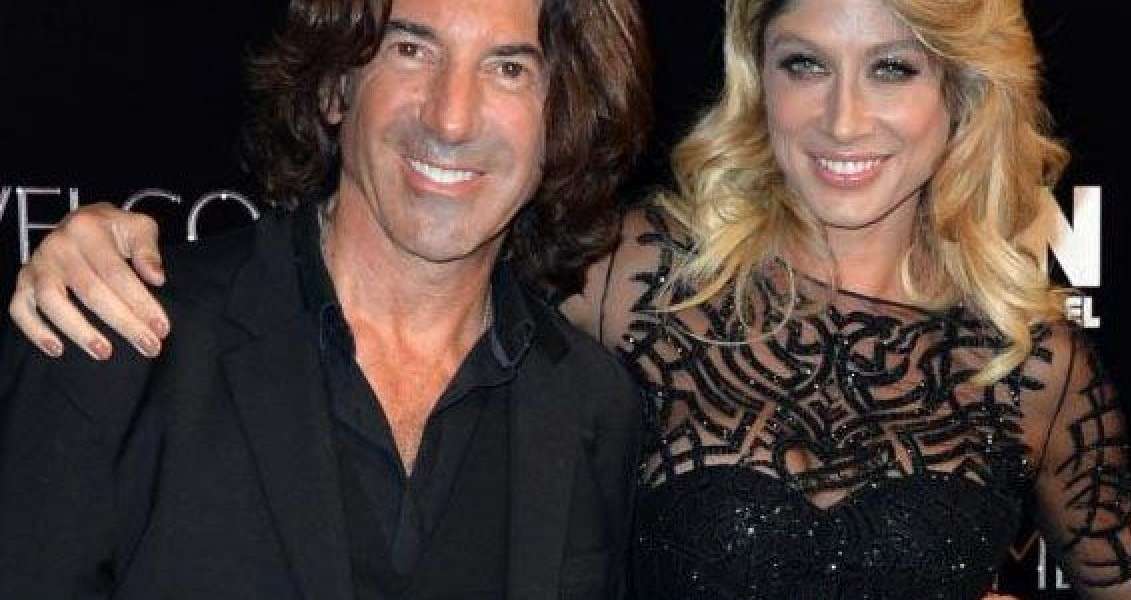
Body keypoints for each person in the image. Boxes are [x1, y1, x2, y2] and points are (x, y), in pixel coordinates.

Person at [7, 0, 1131, 598]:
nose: (840, 118)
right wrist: (98, 241)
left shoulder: (1030, 365)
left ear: (961, 94)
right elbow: (400, 257)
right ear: (759, 83)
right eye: (802, 65)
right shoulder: (637, 286)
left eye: (890, 67)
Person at [0, 0, 650, 598]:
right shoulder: (116, 341)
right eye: (411, 50)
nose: (451, 117)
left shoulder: (594, 407)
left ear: (562, 117)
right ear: (338, 84)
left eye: (508, 69)